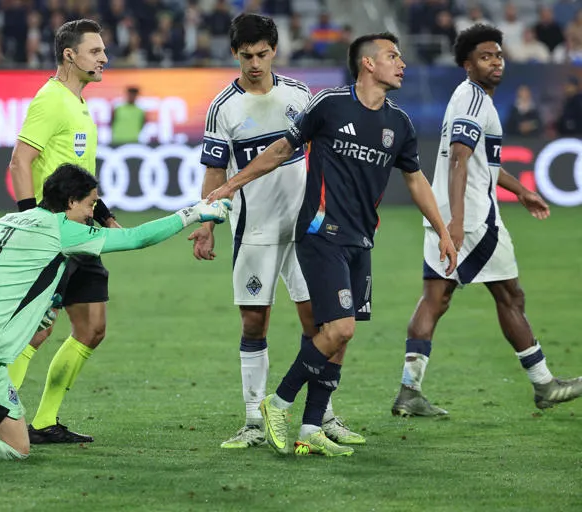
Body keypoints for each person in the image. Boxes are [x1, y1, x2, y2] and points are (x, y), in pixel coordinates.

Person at [0, 164, 231, 461]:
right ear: (71, 201)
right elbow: (135, 238)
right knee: (15, 445)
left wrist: (43, 306)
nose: (93, 214)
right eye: (90, 205)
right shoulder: (63, 231)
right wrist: (192, 213)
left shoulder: (6, 221)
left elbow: (9, 277)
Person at [207, 32, 457, 456]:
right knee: (338, 327)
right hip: (321, 234)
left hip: (362, 240)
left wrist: (444, 231)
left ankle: (310, 429)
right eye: (392, 56)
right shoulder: (328, 104)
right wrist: (230, 185)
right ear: (368, 64)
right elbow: (281, 149)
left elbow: (415, 180)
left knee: (339, 335)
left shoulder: (400, 124)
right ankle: (277, 402)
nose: (402, 64)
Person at [191, 13, 364, 451]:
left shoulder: (299, 94)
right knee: (255, 321)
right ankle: (253, 420)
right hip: (255, 230)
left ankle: (320, 414)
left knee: (319, 322)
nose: (254, 63)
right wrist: (207, 225)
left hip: (306, 231)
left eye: (262, 54)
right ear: (235, 54)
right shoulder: (223, 107)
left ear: (275, 51)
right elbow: (214, 169)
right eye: (246, 55)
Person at [390, 24, 582, 417]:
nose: (495, 62)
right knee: (510, 296)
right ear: (466, 64)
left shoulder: (467, 98)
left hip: (440, 214)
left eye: (498, 55)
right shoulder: (475, 102)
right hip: (474, 220)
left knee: (435, 298)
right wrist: (459, 224)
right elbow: (460, 160)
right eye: (485, 57)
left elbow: (482, 163)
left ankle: (409, 391)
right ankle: (544, 384)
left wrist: (520, 189)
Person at [6, 19, 117, 445]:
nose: (104, 58)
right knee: (37, 329)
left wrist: (102, 211)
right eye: (96, 51)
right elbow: (20, 161)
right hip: (52, 233)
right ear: (70, 55)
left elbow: (73, 174)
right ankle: (1, 415)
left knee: (92, 327)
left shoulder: (78, 103)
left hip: (82, 232)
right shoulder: (50, 100)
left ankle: (45, 421)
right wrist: (29, 220)